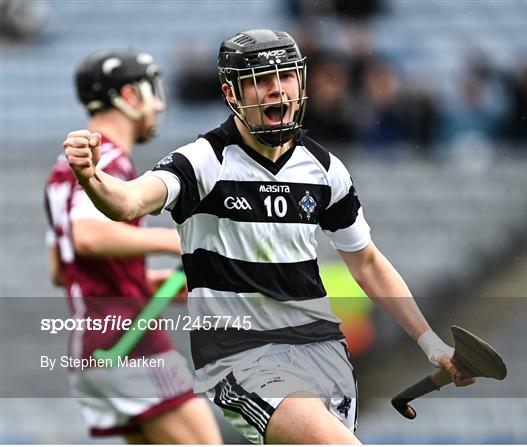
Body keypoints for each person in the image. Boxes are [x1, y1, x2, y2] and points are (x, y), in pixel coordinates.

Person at [62, 31, 475, 444]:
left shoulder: (325, 169)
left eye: (287, 77)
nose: (277, 89)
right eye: (260, 80)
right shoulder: (203, 161)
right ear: (231, 93)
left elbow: (366, 263)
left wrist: (430, 343)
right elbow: (129, 201)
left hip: (324, 353)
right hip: (240, 356)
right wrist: (93, 178)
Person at [45, 49, 221, 444]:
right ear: (128, 95)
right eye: (152, 91)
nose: (159, 104)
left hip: (94, 345)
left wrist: (145, 282)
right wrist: (180, 243)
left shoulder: (62, 169)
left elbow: (63, 269)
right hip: (128, 342)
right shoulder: (106, 160)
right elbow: (87, 237)